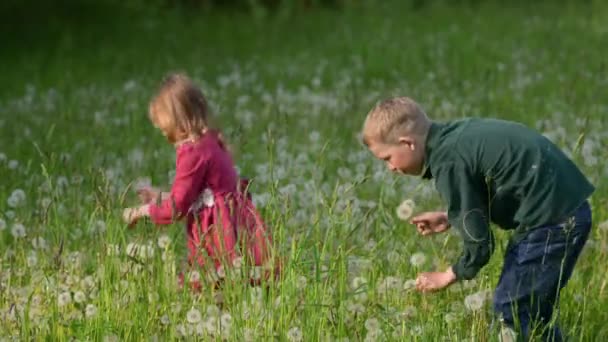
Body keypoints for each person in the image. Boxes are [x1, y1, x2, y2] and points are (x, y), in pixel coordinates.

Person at [361, 96, 594, 341]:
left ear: (407, 143)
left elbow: (481, 245)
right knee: (531, 313)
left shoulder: (448, 161)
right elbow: (498, 180)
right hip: (564, 208)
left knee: (512, 310)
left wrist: (448, 275)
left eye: (387, 158)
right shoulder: (455, 136)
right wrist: (451, 216)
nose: (390, 168)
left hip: (553, 220)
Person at [122, 73, 279, 291]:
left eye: (165, 131)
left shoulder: (192, 153)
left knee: (209, 287)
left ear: (180, 126)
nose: (166, 137)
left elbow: (177, 208)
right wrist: (160, 196)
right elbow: (202, 197)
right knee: (240, 283)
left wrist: (142, 211)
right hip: (236, 226)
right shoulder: (210, 141)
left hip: (217, 235)